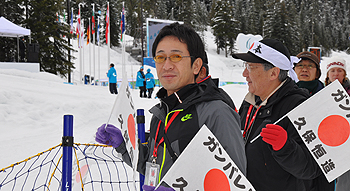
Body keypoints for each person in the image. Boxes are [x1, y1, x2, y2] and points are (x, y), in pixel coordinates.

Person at [95, 23, 246, 190]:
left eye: (176, 57)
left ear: (196, 66)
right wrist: (124, 147)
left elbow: (234, 185)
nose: (166, 66)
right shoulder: (162, 114)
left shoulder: (216, 113)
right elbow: (154, 166)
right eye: (160, 58)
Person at [232, 38, 322, 191]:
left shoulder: (299, 105)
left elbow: (312, 168)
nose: (244, 74)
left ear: (273, 73)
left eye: (251, 67)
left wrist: (285, 147)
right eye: (245, 66)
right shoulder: (251, 101)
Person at [294, 52, 334, 191]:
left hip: (322, 160)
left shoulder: (329, 96)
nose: (304, 69)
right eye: (300, 65)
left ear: (317, 73)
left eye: (310, 66)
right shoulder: (284, 95)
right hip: (295, 160)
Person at [324, 57, 350, 191]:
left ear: (344, 74)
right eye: (332, 71)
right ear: (327, 74)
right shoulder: (321, 92)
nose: (336, 74)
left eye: (340, 70)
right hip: (327, 140)